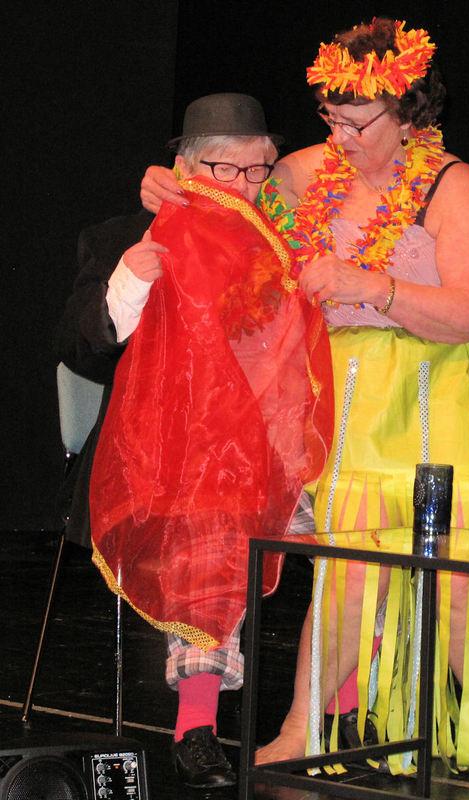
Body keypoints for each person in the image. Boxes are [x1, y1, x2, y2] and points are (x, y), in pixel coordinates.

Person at [139, 19, 469, 780]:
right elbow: (224, 210)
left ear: (408, 112)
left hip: (434, 393)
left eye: (358, 122)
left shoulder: (452, 182)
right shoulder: (300, 172)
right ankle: (302, 726)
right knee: (345, 573)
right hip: (344, 395)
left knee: (456, 574)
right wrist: (167, 186)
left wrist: (371, 286)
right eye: (331, 118)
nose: (341, 136)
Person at [55, 92, 333, 791]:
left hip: (286, 450)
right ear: (184, 168)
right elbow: (81, 350)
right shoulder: (129, 234)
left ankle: (345, 710)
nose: (243, 186)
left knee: (365, 524)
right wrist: (129, 283)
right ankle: (196, 731)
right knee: (211, 523)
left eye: (257, 170)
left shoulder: (282, 239)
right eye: (224, 169)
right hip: (166, 458)